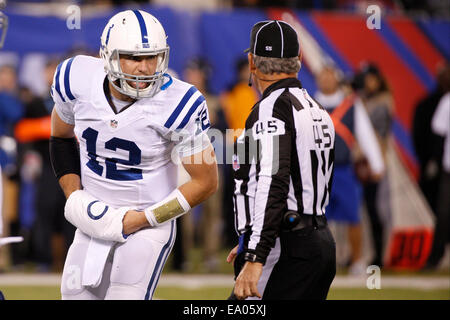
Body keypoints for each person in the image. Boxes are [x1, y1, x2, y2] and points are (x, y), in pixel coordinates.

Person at [50, 10, 218, 300]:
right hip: (93, 215)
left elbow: (205, 182)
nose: (145, 67)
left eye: (152, 57)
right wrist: (74, 196)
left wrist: (143, 219)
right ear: (108, 56)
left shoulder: (178, 102)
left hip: (147, 224)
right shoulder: (76, 79)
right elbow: (60, 136)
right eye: (134, 58)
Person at [227, 20, 336, 300]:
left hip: (285, 246)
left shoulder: (271, 109)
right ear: (298, 59)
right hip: (319, 239)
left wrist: (255, 253)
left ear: (252, 62)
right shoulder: (317, 108)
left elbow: (272, 182)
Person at [314, 66, 384, 273]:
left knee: (353, 216)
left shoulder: (351, 105)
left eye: (329, 75)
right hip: (318, 171)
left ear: (337, 79)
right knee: (315, 219)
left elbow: (365, 134)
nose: (326, 79)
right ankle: (318, 262)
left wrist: (377, 163)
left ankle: (357, 261)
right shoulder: (310, 103)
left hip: (344, 170)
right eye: (322, 75)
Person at [426, 91, 450, 269]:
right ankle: (435, 257)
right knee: (443, 214)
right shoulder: (447, 101)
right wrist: (435, 159)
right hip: (449, 168)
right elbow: (438, 133)